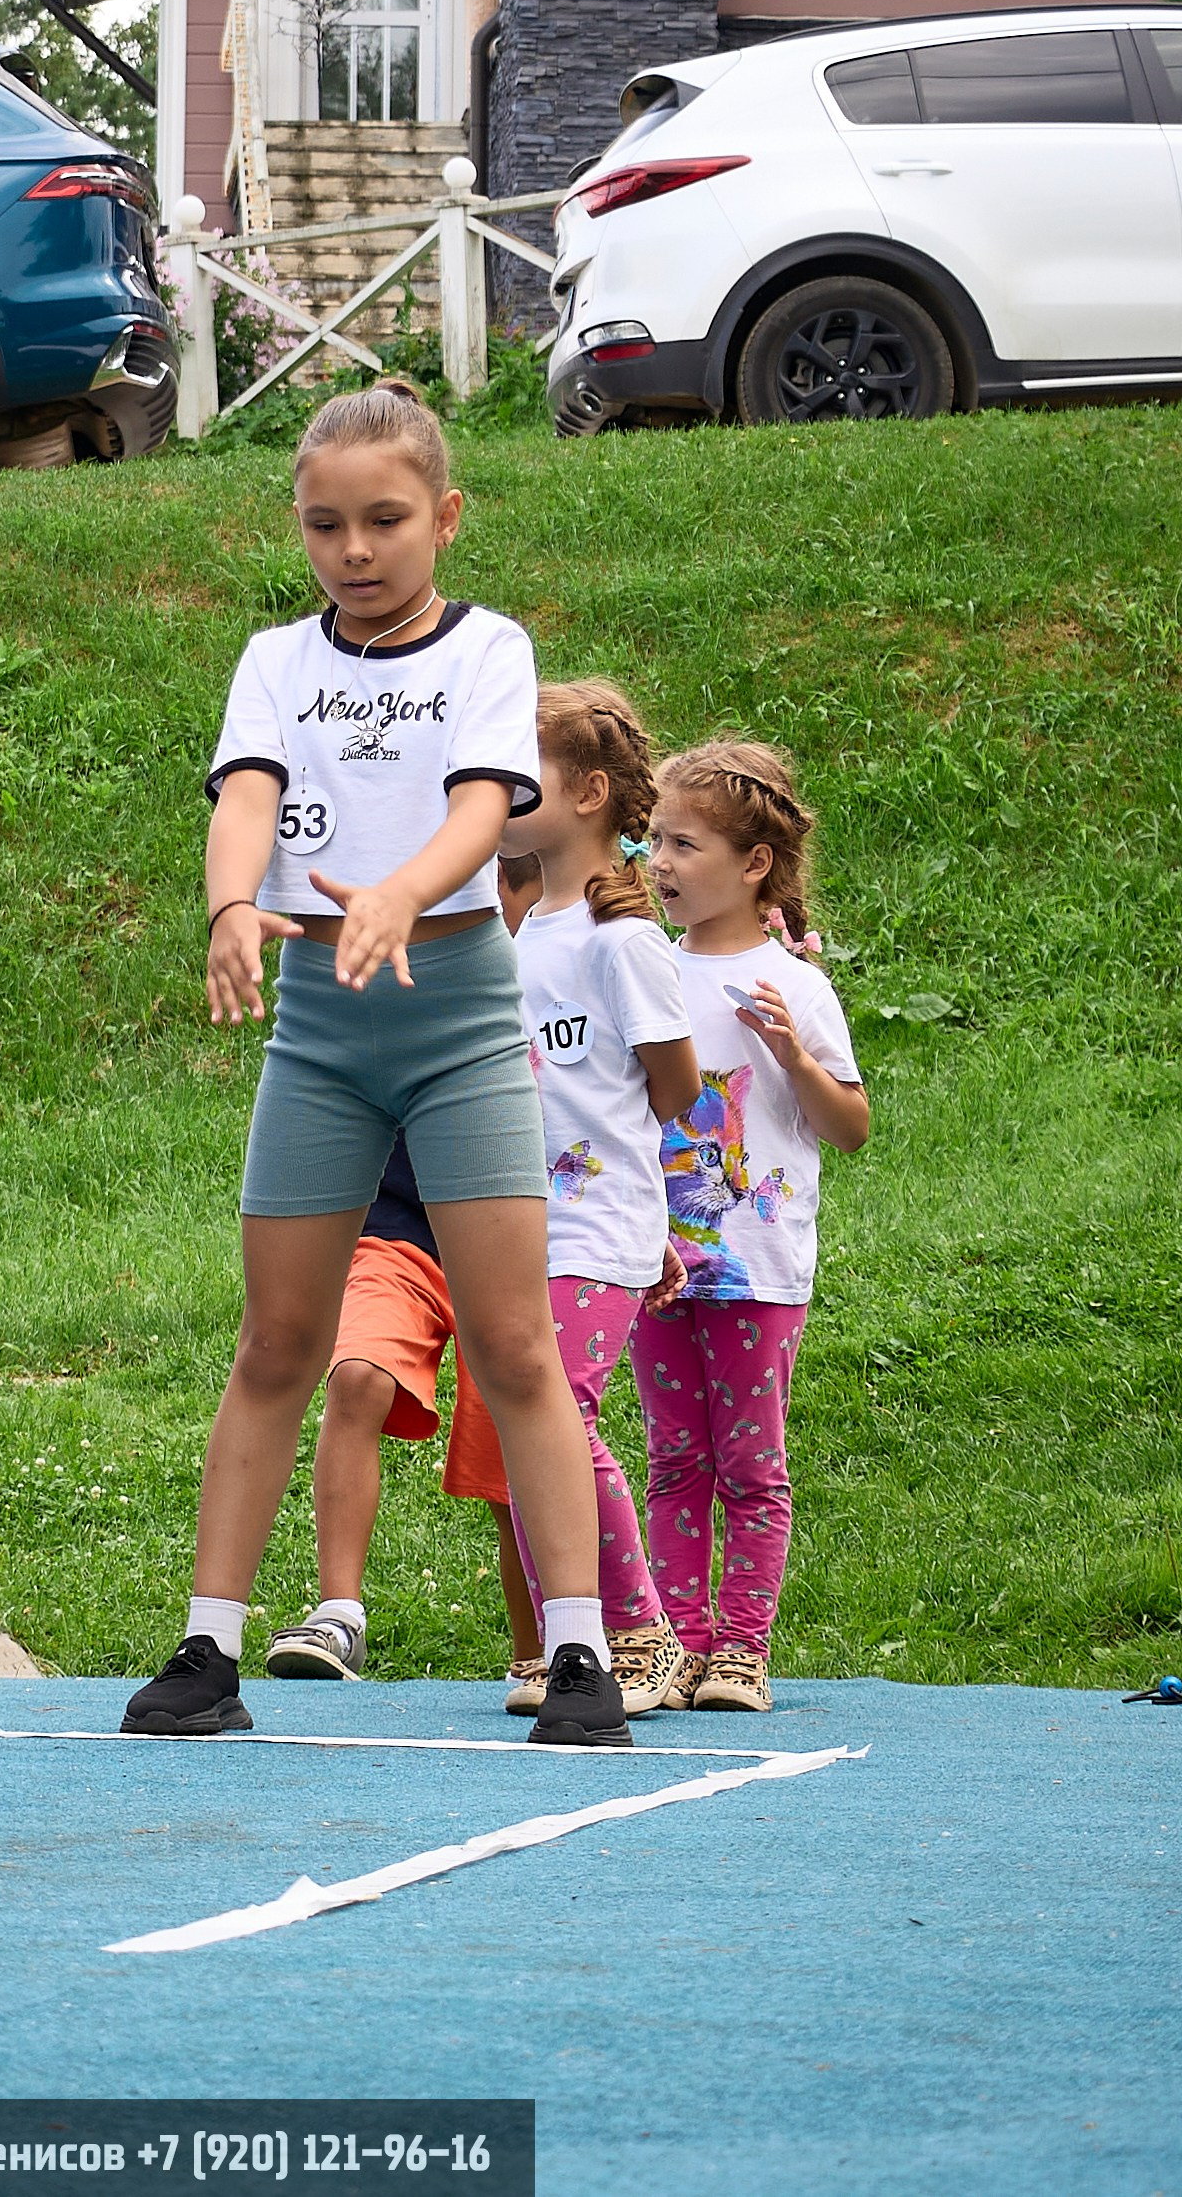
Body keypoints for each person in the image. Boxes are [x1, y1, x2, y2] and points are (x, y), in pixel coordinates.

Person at [122, 376, 631, 1750]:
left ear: (445, 518)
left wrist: (403, 893)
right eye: (325, 525)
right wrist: (234, 906)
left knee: (516, 1348)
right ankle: (207, 1650)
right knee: (279, 1341)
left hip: (458, 1012)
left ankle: (581, 1659)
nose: (354, 549)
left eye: (386, 521)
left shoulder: (491, 652)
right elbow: (246, 800)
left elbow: (480, 807)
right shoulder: (276, 661)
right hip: (323, 1027)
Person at [637, 740, 869, 1712]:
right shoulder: (641, 967)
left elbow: (848, 1127)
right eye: (651, 840)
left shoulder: (797, 987)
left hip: (760, 1268)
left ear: (754, 865)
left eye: (684, 844)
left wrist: (791, 1056)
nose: (660, 863)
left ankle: (740, 1650)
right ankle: (680, 1645)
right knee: (674, 1458)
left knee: (750, 1465)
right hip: (651, 1260)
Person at [494, 682, 699, 1720]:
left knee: (559, 1417)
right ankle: (582, 1640)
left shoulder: (627, 944)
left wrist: (650, 1221)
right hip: (527, 1226)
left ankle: (639, 1637)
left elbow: (677, 1092)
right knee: (528, 1422)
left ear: (587, 793)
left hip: (597, 1226)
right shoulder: (530, 931)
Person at [263, 1131, 539, 1685]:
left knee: (510, 1458)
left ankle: (542, 1652)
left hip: (515, 1241)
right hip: (395, 1235)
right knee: (358, 1376)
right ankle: (338, 1616)